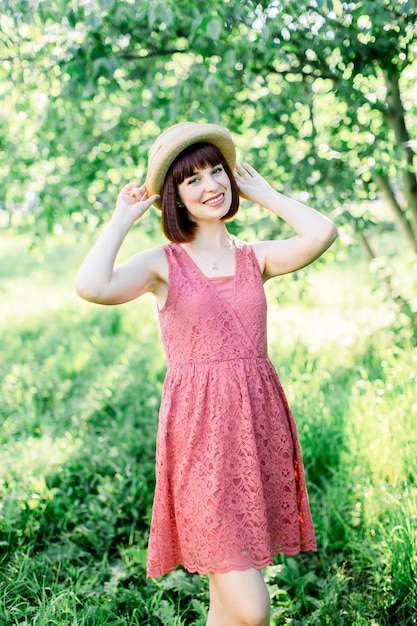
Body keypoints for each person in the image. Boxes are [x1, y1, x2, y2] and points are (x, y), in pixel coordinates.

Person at [75, 122, 338, 626]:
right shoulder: (163, 264)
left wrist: (265, 193)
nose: (211, 185)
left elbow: (322, 232)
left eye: (217, 171)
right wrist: (121, 219)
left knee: (228, 610)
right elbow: (91, 285)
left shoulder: (254, 257)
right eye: (192, 179)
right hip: (198, 439)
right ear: (173, 196)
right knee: (253, 610)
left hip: (255, 432)